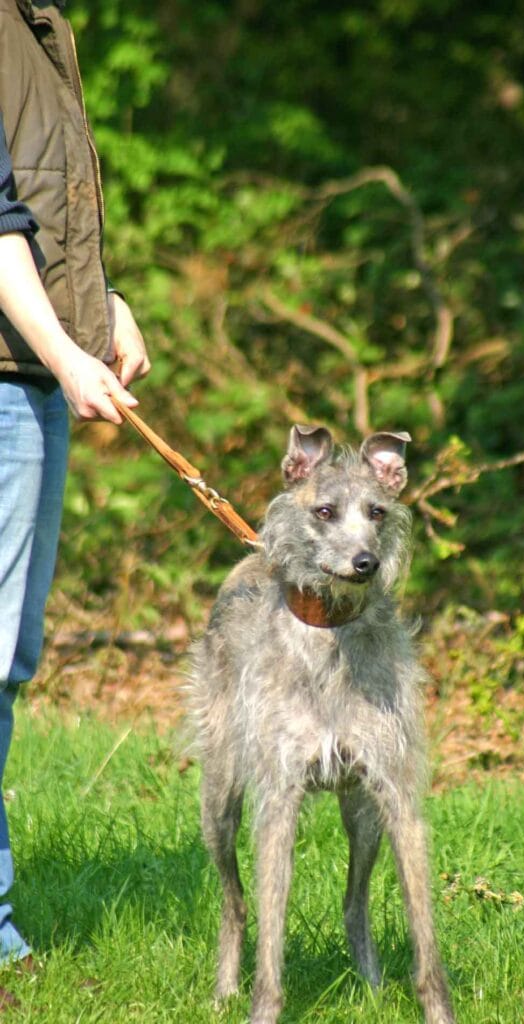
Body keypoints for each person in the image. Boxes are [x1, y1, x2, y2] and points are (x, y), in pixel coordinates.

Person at [0, 0, 151, 986]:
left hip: (28, 376)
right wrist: (63, 352)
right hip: (10, 381)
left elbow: (46, 201)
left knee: (7, 659)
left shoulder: (41, 23)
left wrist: (106, 304)